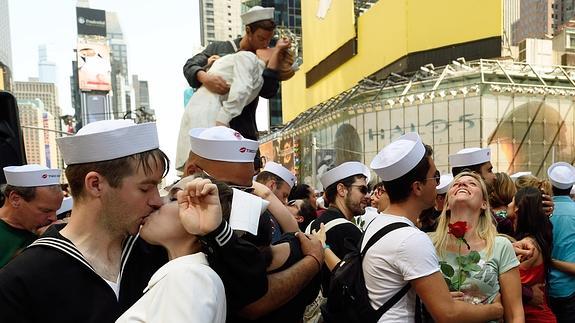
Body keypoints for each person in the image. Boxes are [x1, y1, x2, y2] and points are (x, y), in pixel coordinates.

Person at [183, 126, 323, 322]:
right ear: (192, 172)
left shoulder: (243, 220)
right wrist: (312, 262)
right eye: (232, 188)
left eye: (248, 189)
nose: (243, 199)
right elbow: (251, 305)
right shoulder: (170, 228)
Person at [360, 132, 504, 322]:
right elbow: (448, 314)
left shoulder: (378, 223)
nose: (438, 184)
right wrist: (496, 310)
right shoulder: (411, 239)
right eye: (434, 177)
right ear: (417, 187)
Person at [180, 6, 280, 171]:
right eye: (261, 38)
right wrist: (205, 77)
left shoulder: (264, 57)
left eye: (268, 40)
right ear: (248, 31)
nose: (265, 43)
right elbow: (190, 65)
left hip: (243, 132)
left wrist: (270, 65)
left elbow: (269, 91)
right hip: (212, 127)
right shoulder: (219, 48)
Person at [116, 177, 226, 323]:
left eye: (173, 198)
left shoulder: (189, 277)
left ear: (203, 215)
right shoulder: (185, 275)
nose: (158, 202)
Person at [430, 171, 524, 321]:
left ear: (484, 203)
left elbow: (515, 313)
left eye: (472, 184)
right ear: (446, 204)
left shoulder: (500, 246)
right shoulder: (428, 244)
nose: (462, 184)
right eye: (455, 184)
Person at [508, 187, 557, 323]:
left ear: (518, 209)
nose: (508, 205)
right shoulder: (535, 239)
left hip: (535, 317)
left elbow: (505, 282)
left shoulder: (527, 247)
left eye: (512, 201)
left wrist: (527, 292)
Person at [0, 165, 63, 267]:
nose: (54, 218)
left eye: (56, 211)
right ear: (15, 199)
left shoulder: (49, 229)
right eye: (46, 211)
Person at [546, 162, 575, 322]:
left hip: (545, 286)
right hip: (571, 287)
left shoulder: (542, 212)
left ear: (551, 185)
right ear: (571, 187)